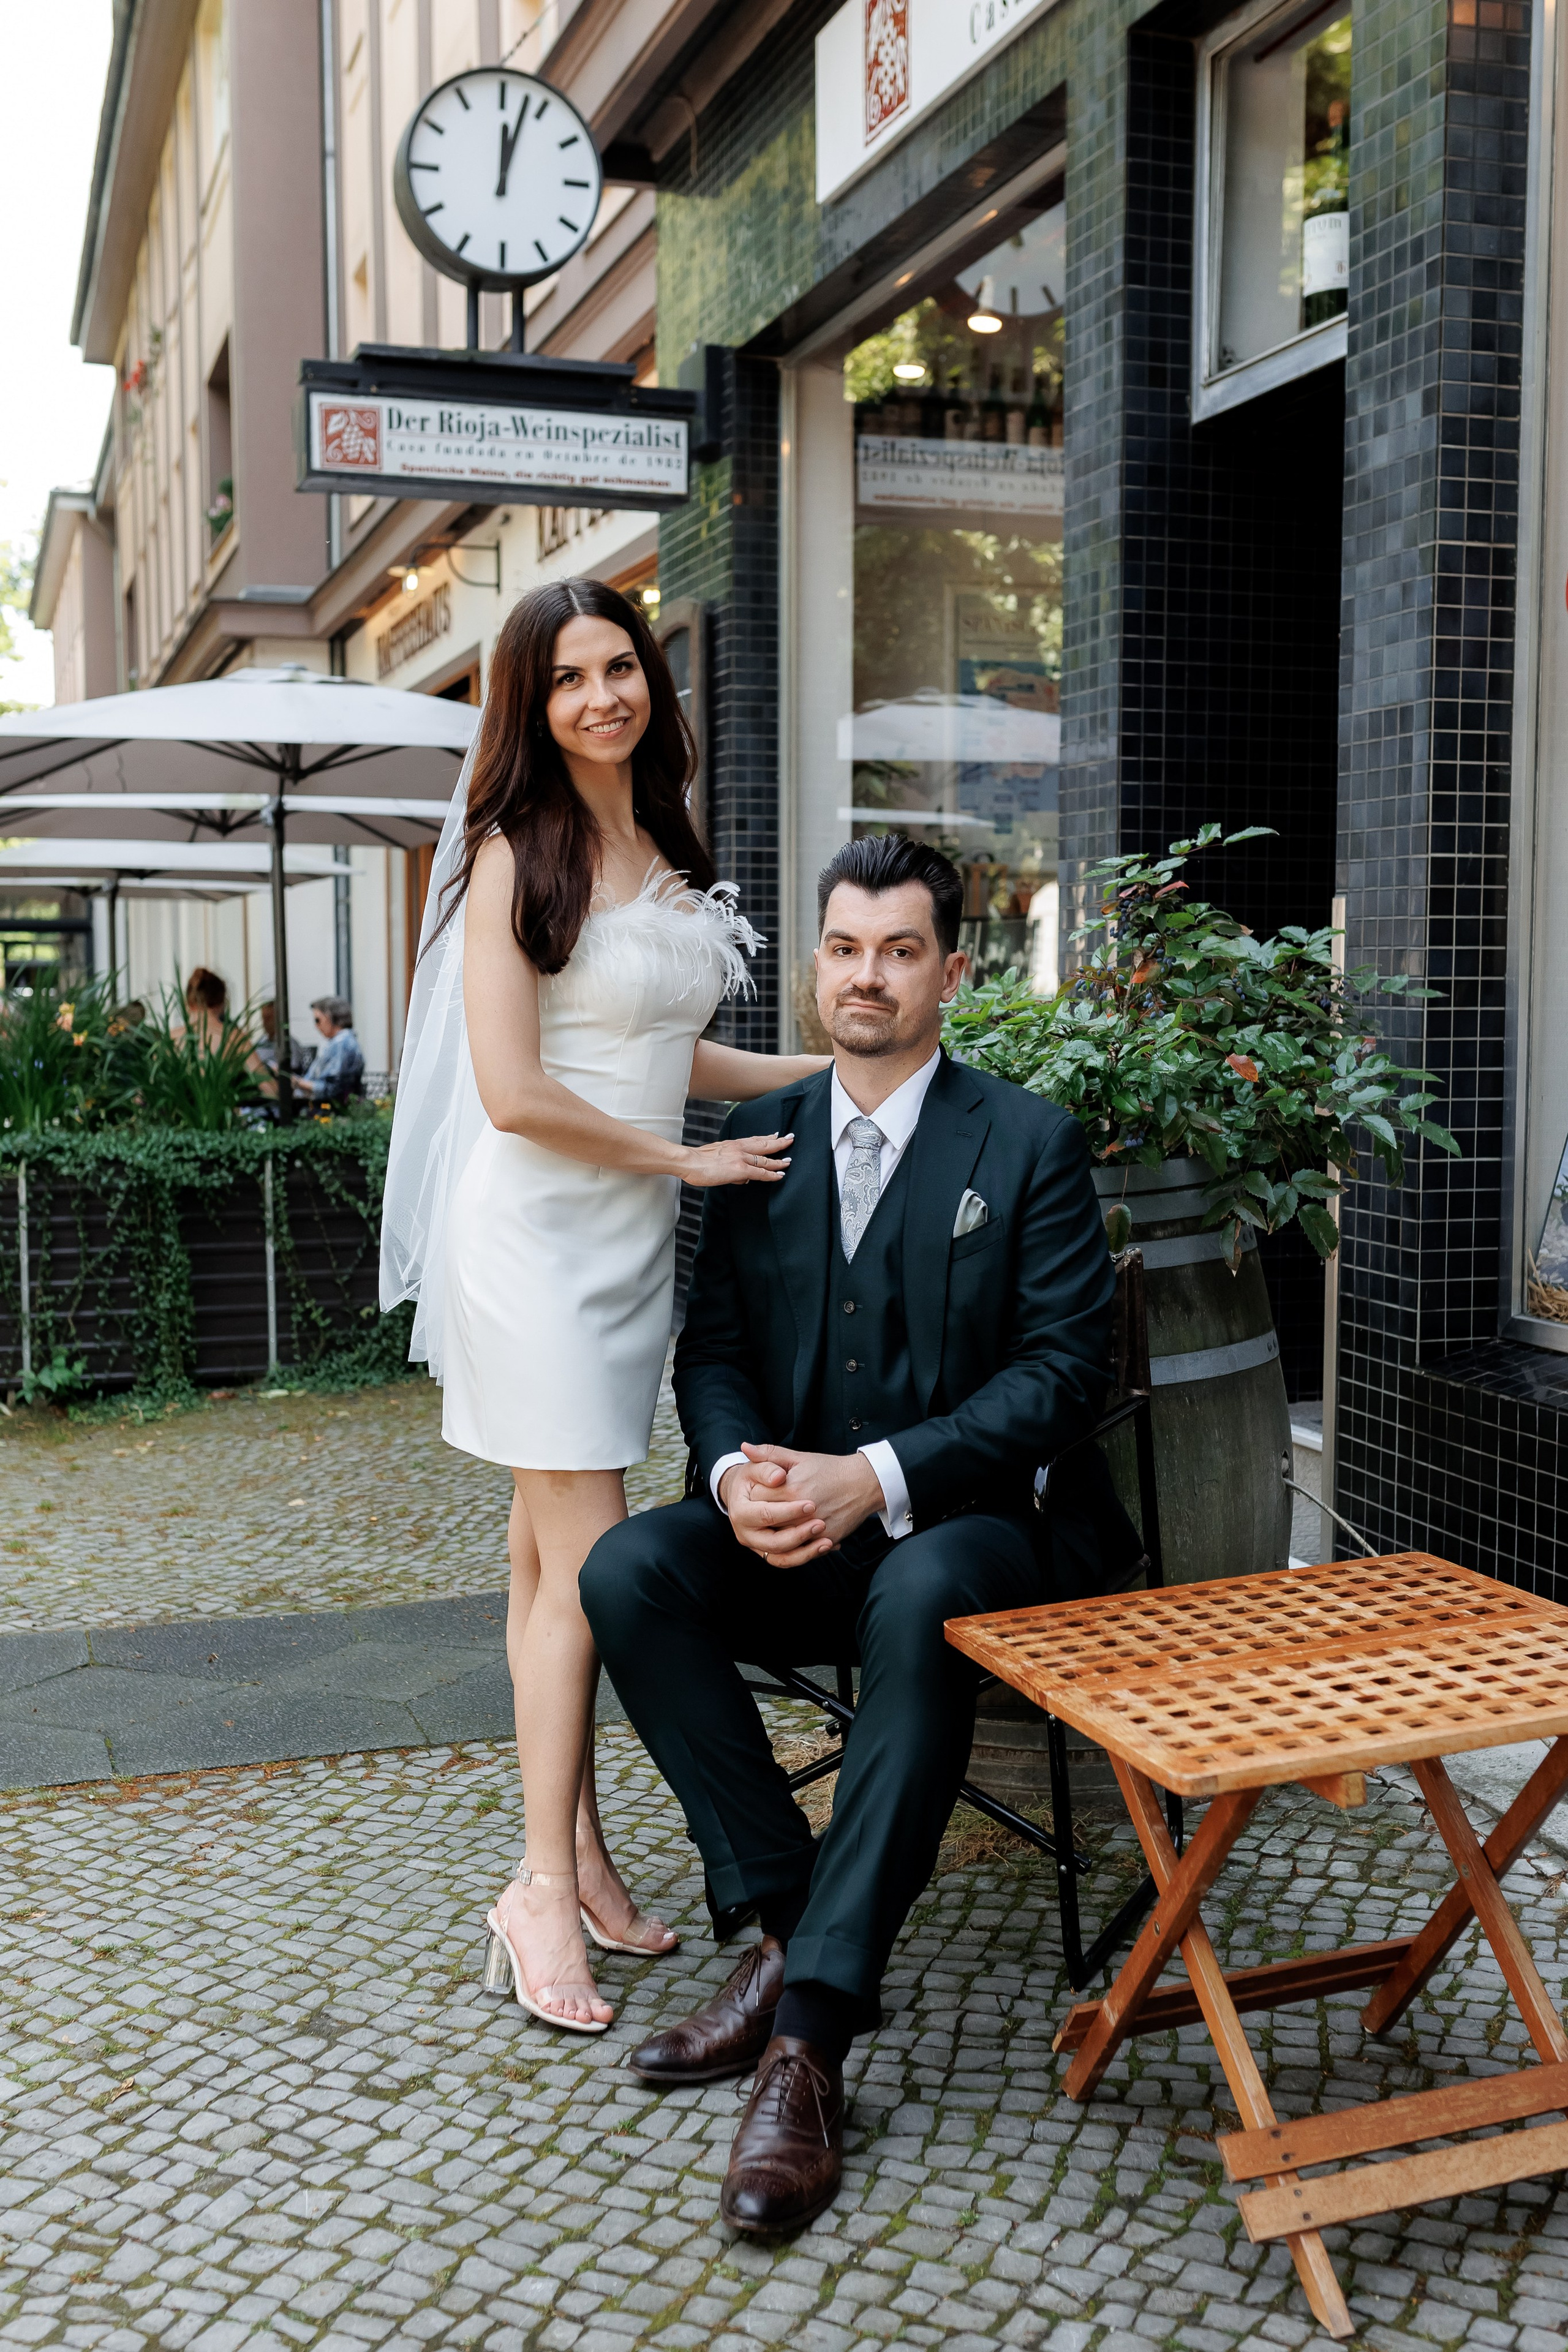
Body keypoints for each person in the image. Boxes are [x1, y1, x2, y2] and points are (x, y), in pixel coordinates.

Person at [579, 834, 1116, 2234]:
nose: (863, 974)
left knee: (926, 1581)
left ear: (949, 967)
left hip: (983, 1535)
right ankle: (782, 1922)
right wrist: (729, 1469)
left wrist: (870, 1474)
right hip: (798, 1543)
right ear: (814, 961)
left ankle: (806, 2040)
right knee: (626, 1569)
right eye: (841, 946)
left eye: (894, 949)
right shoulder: (758, 1153)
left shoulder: (1027, 1141)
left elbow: (1065, 1375)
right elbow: (714, 1352)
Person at [379, 576, 829, 2038]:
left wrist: (833, 1083)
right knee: (593, 1572)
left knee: (538, 1571)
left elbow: (668, 1048)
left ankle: (576, 1852)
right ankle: (534, 1883)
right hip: (531, 1247)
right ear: (530, 698)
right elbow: (513, 1093)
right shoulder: (518, 855)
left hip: (627, 1243)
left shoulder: (658, 836)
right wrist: (684, 1162)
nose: (598, 696)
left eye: (618, 666)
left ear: (651, 677)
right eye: (566, 676)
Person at [296, 995, 365, 1105]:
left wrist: (297, 1083)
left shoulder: (342, 1044)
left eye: (318, 1020)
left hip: (332, 1110)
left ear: (330, 1017)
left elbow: (333, 1089)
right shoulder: (339, 1042)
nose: (316, 1026)